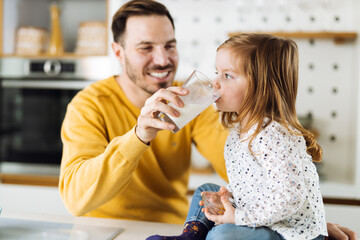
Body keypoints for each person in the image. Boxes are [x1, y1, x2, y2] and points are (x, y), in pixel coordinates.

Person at [59, 0, 358, 239]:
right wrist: (139, 136)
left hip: (179, 229)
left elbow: (251, 171)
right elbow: (75, 198)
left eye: (170, 45)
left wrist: (300, 223)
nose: (163, 60)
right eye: (146, 48)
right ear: (118, 52)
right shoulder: (89, 106)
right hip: (107, 232)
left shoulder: (190, 99)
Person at [147, 33, 327, 240]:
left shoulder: (273, 136)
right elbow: (253, 184)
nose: (215, 83)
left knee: (222, 235)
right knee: (205, 190)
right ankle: (190, 237)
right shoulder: (240, 132)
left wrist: (239, 216)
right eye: (217, 73)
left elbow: (291, 198)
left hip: (289, 232)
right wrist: (229, 196)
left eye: (227, 76)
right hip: (262, 217)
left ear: (261, 86)